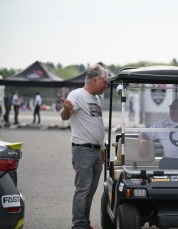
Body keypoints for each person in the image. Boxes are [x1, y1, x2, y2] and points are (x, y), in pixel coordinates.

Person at [60, 63, 109, 229]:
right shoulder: (77, 94)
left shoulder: (96, 99)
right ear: (95, 81)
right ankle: (79, 225)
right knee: (83, 190)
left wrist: (102, 149)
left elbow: (97, 125)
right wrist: (66, 109)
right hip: (83, 150)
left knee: (90, 192)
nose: (106, 86)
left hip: (95, 151)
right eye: (105, 82)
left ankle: (85, 223)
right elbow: (65, 116)